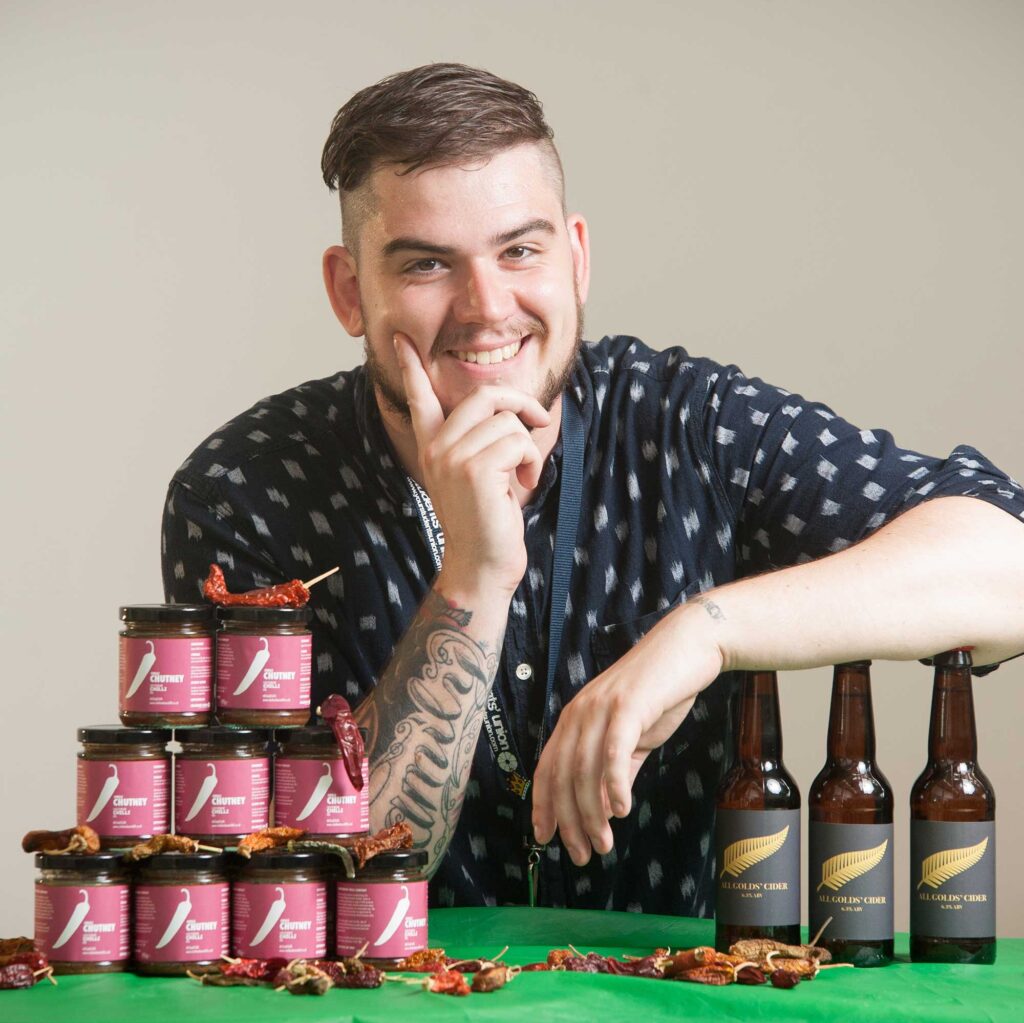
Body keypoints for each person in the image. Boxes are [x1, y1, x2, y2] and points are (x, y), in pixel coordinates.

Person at [162, 63, 1024, 915]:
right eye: (427, 265)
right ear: (351, 293)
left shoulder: (690, 423)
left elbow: (1007, 562)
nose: (486, 307)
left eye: (520, 251)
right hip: (382, 990)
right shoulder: (241, 492)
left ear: (575, 259)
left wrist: (707, 633)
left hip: (669, 987)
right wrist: (474, 577)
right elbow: (302, 886)